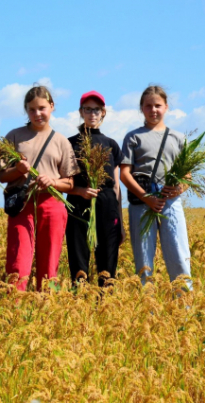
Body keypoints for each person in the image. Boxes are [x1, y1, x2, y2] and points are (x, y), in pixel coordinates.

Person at [0, 85, 79, 291]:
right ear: (26, 110)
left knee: (50, 262)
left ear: (51, 107)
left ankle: (47, 309)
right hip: (22, 204)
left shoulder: (61, 141)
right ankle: (15, 307)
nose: (37, 114)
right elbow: (2, 175)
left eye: (42, 108)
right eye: (32, 109)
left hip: (51, 204)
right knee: (18, 260)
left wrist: (53, 181)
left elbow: (69, 183)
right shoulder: (14, 137)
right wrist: (18, 170)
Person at [119, 85, 192, 290]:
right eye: (148, 106)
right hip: (142, 200)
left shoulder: (178, 138)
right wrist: (147, 198)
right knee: (143, 260)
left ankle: (184, 306)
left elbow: (187, 175)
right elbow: (125, 174)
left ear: (166, 107)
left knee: (178, 254)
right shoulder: (133, 137)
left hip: (170, 200)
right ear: (141, 108)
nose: (153, 110)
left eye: (158, 105)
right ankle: (146, 313)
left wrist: (178, 189)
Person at [65, 91, 124, 286]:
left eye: (96, 109)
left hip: (106, 202)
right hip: (78, 203)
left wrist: (121, 224)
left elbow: (116, 185)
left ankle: (106, 300)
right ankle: (80, 297)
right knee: (78, 255)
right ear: (81, 112)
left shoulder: (111, 145)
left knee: (108, 257)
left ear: (103, 113)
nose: (92, 114)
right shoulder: (69, 143)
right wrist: (79, 191)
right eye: (88, 109)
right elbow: (64, 180)